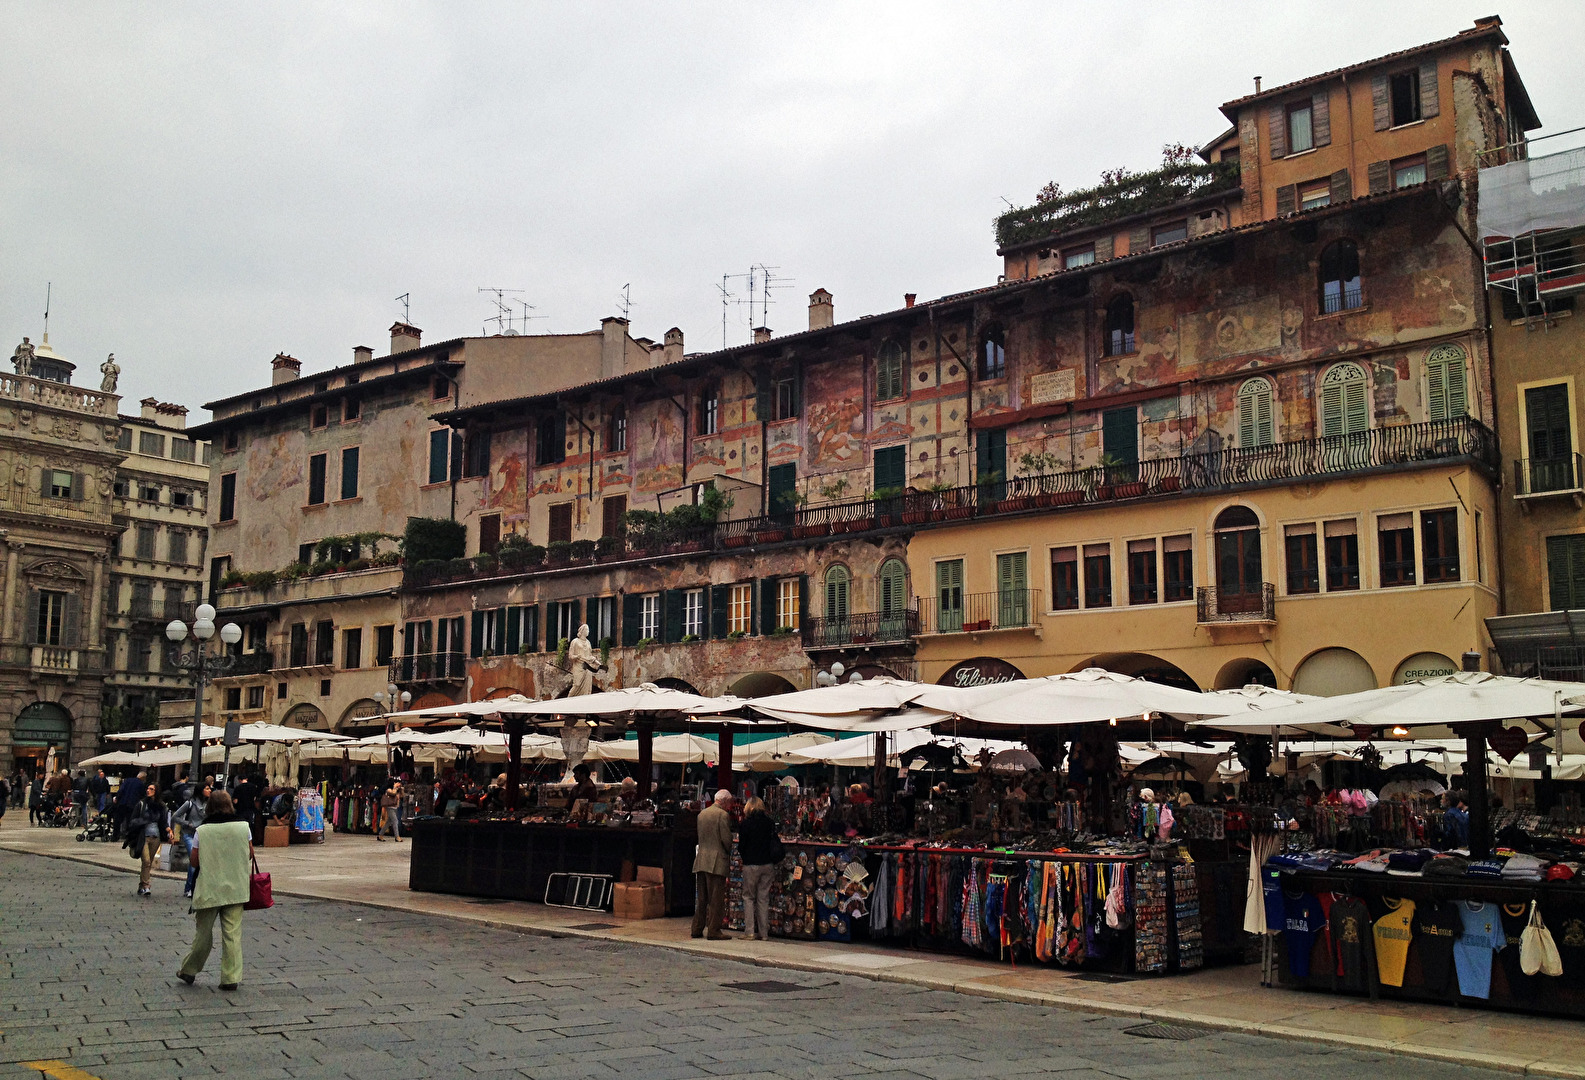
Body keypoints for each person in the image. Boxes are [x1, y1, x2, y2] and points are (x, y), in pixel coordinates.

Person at [178, 791, 253, 991]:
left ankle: (189, 969)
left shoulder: (202, 831)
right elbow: (250, 854)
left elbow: (194, 861)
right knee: (232, 934)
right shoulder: (243, 826)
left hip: (208, 888)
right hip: (236, 888)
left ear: (209, 806)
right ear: (230, 805)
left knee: (203, 934)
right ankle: (230, 978)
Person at [691, 789, 734, 940]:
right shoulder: (722, 815)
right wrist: (728, 850)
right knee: (716, 898)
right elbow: (726, 839)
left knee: (702, 898)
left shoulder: (702, 814)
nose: (730, 806)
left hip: (701, 859)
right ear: (725, 801)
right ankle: (714, 930)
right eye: (730, 803)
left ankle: (696, 928)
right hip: (716, 862)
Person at [737, 796, 783, 941]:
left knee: (749, 897)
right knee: (763, 898)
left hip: (751, 864)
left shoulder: (745, 824)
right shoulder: (769, 823)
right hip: (767, 864)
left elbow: (741, 846)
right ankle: (764, 933)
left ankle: (750, 931)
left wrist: (745, 857)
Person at [126, 786, 174, 897]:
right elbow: (133, 820)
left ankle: (141, 885)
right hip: (143, 836)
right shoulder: (142, 804)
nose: (148, 790)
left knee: (148, 863)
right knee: (146, 861)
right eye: (148, 788)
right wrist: (143, 821)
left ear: (156, 792)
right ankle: (147, 885)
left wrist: (169, 831)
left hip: (156, 837)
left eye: (152, 789)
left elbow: (163, 822)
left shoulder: (161, 806)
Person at [174, 781, 211, 898]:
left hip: (202, 835)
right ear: (201, 791)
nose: (210, 790)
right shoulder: (189, 804)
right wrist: (187, 823)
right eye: (207, 788)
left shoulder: (209, 805)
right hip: (189, 834)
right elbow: (176, 816)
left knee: (197, 861)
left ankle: (191, 887)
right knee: (194, 859)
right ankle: (190, 887)